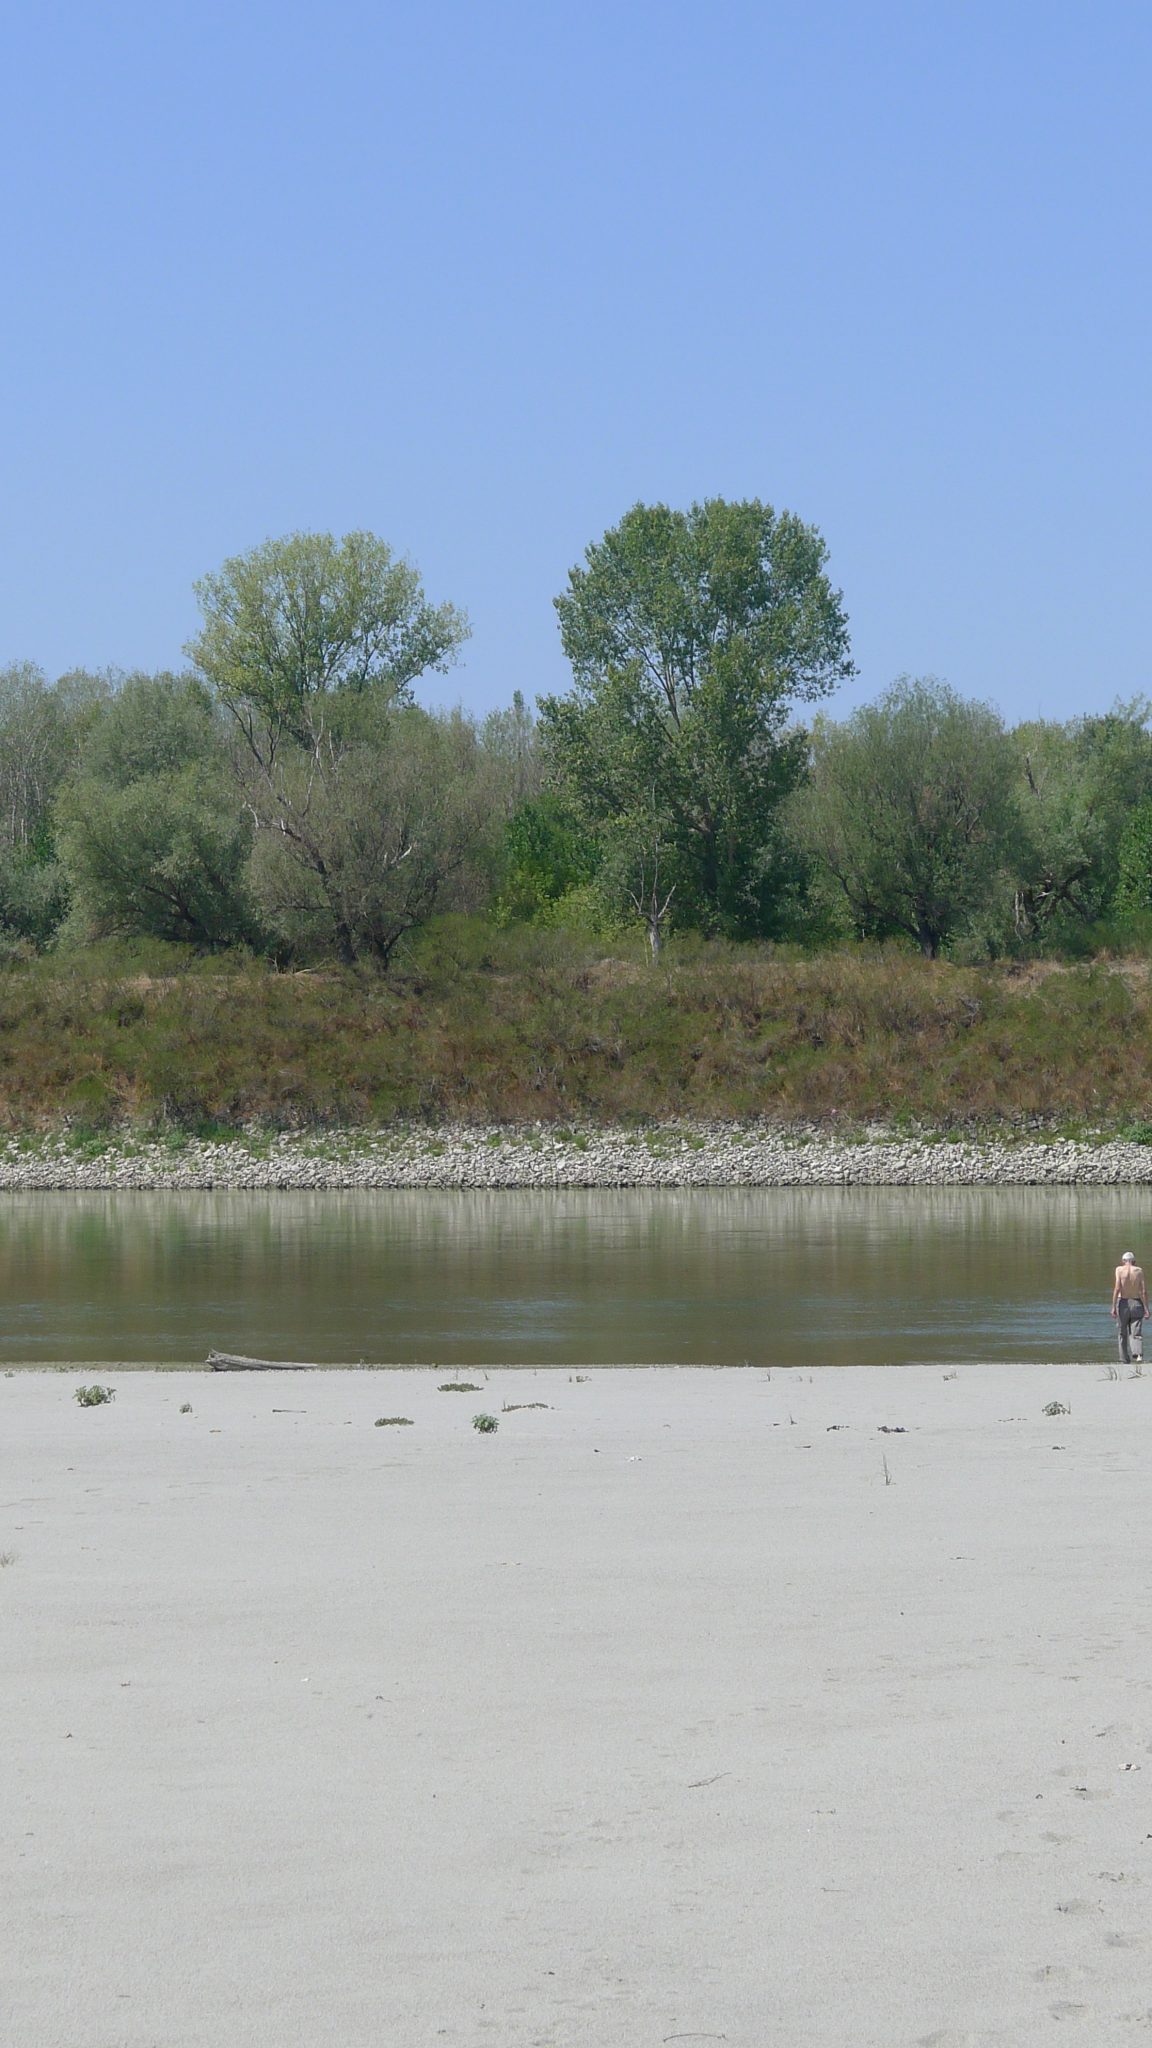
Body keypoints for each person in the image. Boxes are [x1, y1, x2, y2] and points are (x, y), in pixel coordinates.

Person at [1111, 1251, 1149, 1364]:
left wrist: (1113, 1306)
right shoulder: (1139, 1271)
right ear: (1134, 1261)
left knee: (1122, 1332)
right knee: (1136, 1331)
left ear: (1123, 1261)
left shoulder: (1119, 1270)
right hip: (1136, 1302)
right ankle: (1138, 1354)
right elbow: (1143, 1291)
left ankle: (1124, 1358)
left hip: (1122, 1302)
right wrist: (1146, 1309)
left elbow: (1117, 1288)